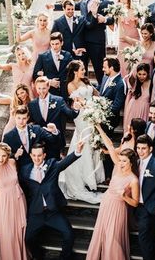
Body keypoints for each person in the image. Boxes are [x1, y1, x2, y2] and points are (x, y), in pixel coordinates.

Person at [20, 141, 84, 260]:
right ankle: (39, 255)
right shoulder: (25, 170)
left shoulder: (52, 165)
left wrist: (77, 151)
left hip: (53, 211)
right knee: (28, 239)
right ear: (30, 155)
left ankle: (64, 257)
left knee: (68, 234)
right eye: (34, 155)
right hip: (36, 213)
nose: (36, 158)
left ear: (44, 155)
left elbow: (65, 163)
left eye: (39, 155)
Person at [86, 124, 139, 260]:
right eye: (120, 160)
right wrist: (98, 127)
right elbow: (109, 145)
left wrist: (124, 197)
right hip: (106, 204)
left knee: (113, 238)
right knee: (101, 234)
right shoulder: (118, 167)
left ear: (131, 163)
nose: (120, 163)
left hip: (118, 209)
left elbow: (135, 203)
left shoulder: (133, 180)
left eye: (124, 161)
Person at [59, 60, 105, 204]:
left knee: (93, 142)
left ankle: (94, 174)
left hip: (92, 113)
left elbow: (96, 93)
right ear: (74, 71)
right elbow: (80, 102)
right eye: (82, 69)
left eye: (84, 68)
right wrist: (91, 108)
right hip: (82, 116)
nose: (84, 71)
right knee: (85, 142)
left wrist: (100, 103)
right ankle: (85, 177)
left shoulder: (86, 80)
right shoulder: (70, 85)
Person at [0, 142, 28, 260]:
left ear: (8, 155)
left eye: (4, 155)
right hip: (5, 202)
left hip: (19, 199)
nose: (1, 159)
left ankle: (21, 254)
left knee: (21, 228)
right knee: (8, 232)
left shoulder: (12, 162)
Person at [75, 0, 114, 84]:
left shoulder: (108, 2)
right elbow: (71, 6)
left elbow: (114, 18)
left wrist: (105, 19)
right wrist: (54, 6)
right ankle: (84, 90)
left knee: (99, 69)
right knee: (81, 69)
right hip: (82, 40)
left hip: (97, 41)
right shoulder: (85, 0)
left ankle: (103, 91)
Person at [28, 76, 80, 154]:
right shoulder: (32, 104)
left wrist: (75, 109)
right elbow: (31, 121)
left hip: (55, 140)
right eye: (39, 88)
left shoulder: (59, 100)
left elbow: (70, 114)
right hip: (39, 143)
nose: (41, 91)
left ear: (48, 87)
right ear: (35, 88)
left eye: (44, 88)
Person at [3, 105, 61, 169]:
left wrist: (55, 131)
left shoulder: (37, 129)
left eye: (24, 118)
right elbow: (4, 156)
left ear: (28, 118)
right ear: (14, 117)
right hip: (21, 170)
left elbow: (53, 140)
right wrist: (15, 155)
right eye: (18, 118)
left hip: (39, 168)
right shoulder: (8, 136)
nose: (21, 121)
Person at [99, 57, 126, 182]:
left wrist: (101, 114)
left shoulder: (120, 84)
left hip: (109, 121)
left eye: (105, 66)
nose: (103, 68)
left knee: (107, 147)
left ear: (112, 68)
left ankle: (108, 174)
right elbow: (101, 92)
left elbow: (116, 107)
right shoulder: (105, 77)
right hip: (99, 118)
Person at [51, 0, 97, 68]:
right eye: (68, 9)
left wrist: (94, 14)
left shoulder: (81, 19)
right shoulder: (57, 22)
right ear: (64, 9)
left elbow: (90, 26)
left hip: (80, 53)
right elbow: (54, 38)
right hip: (65, 54)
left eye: (72, 9)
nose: (71, 11)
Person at [33, 32, 73, 101]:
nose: (54, 47)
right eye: (52, 44)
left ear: (62, 43)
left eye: (57, 44)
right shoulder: (42, 57)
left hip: (65, 92)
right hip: (50, 93)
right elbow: (35, 75)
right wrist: (49, 82)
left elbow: (73, 71)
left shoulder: (67, 55)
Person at [116, 0, 140, 77]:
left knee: (134, 60)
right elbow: (118, 26)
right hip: (123, 38)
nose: (123, 1)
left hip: (134, 36)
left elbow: (138, 25)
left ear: (129, 0)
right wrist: (124, 37)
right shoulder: (117, 12)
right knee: (123, 62)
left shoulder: (134, 10)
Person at [123, 63, 151, 132]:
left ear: (148, 73)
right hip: (133, 108)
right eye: (139, 74)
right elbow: (127, 78)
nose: (141, 77)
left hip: (144, 110)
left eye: (144, 74)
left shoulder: (151, 83)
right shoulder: (134, 81)